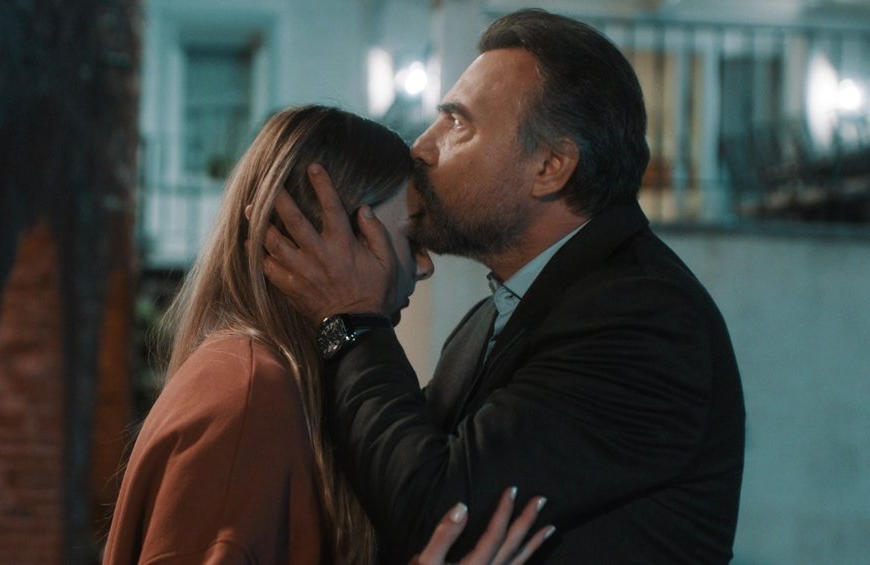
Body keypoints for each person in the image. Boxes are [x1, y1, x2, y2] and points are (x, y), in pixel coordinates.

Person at [262, 10, 746, 564]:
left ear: (550, 167)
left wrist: (351, 321)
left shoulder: (643, 320)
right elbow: (391, 475)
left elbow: (439, 511)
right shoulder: (495, 315)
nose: (421, 147)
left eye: (457, 123)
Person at [102, 105, 554, 565]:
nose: (424, 267)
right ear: (327, 240)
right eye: (412, 239)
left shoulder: (264, 377)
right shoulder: (251, 392)